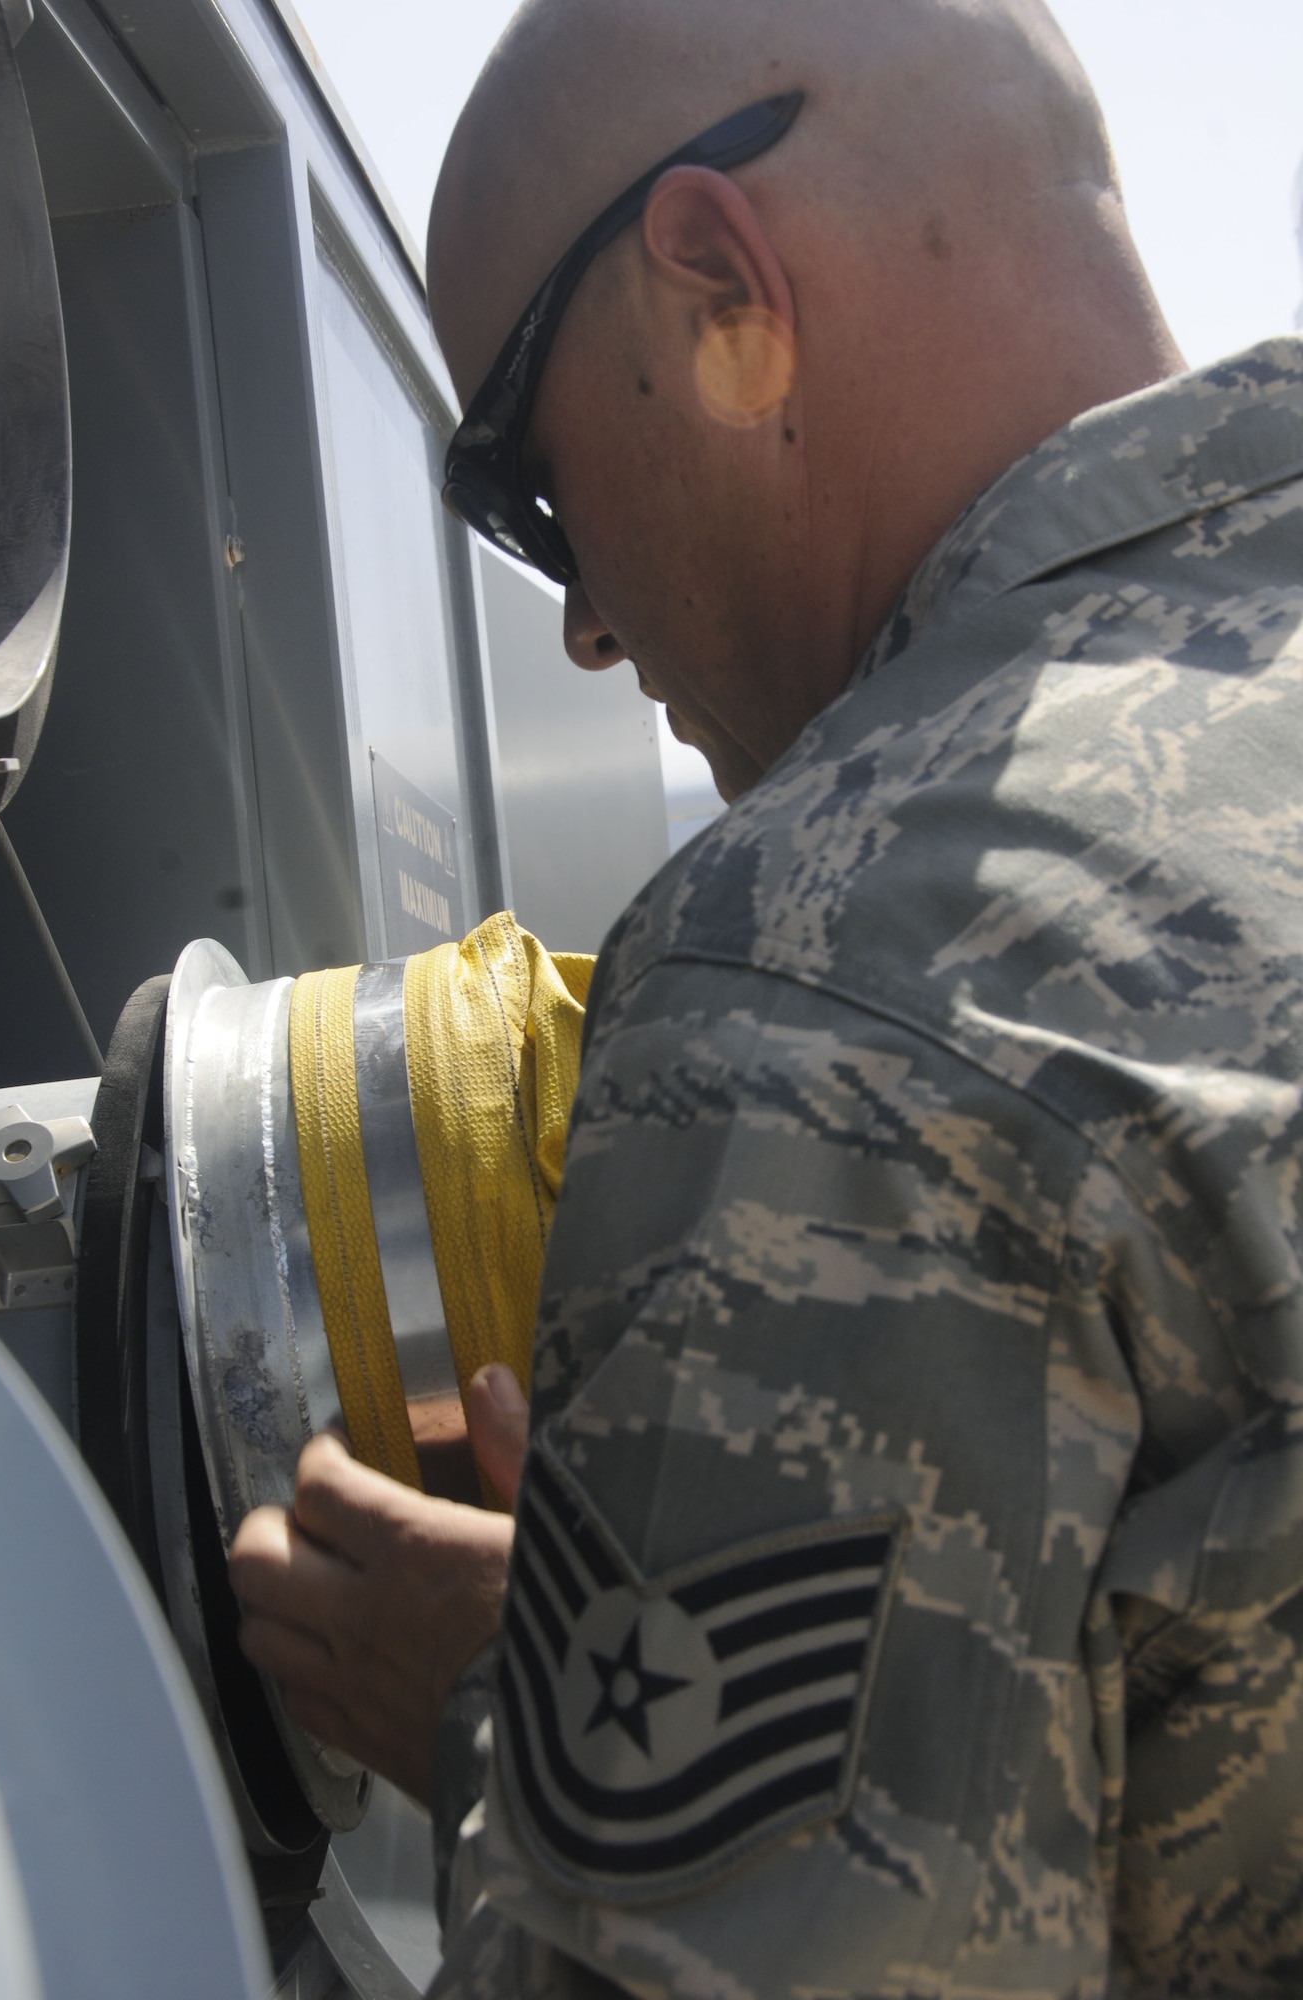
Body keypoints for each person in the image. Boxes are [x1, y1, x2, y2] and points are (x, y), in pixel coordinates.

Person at [229, 0, 1303, 1990]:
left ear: (722, 286)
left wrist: (540, 1749)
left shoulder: (821, 986)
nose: (582, 618)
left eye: (525, 485)